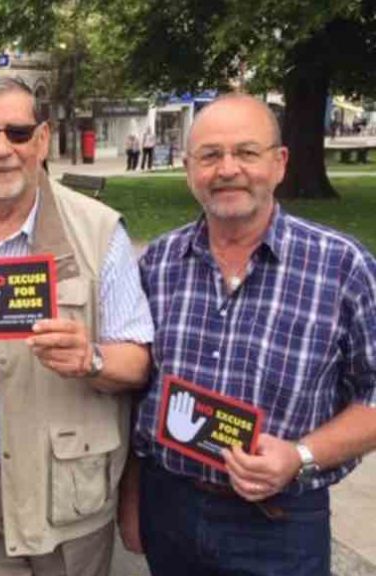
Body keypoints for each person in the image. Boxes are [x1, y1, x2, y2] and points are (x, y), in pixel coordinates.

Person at [0, 76, 153, 576]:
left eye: (18, 134)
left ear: (41, 140)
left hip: (67, 493)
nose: (2, 150)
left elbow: (139, 363)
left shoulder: (99, 230)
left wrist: (92, 358)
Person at [124, 93, 376, 575]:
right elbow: (141, 393)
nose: (227, 169)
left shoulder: (341, 266)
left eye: (246, 152)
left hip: (278, 522)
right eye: (210, 155)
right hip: (170, 508)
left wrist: (301, 455)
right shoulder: (158, 263)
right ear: (188, 168)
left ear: (280, 163)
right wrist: (132, 499)